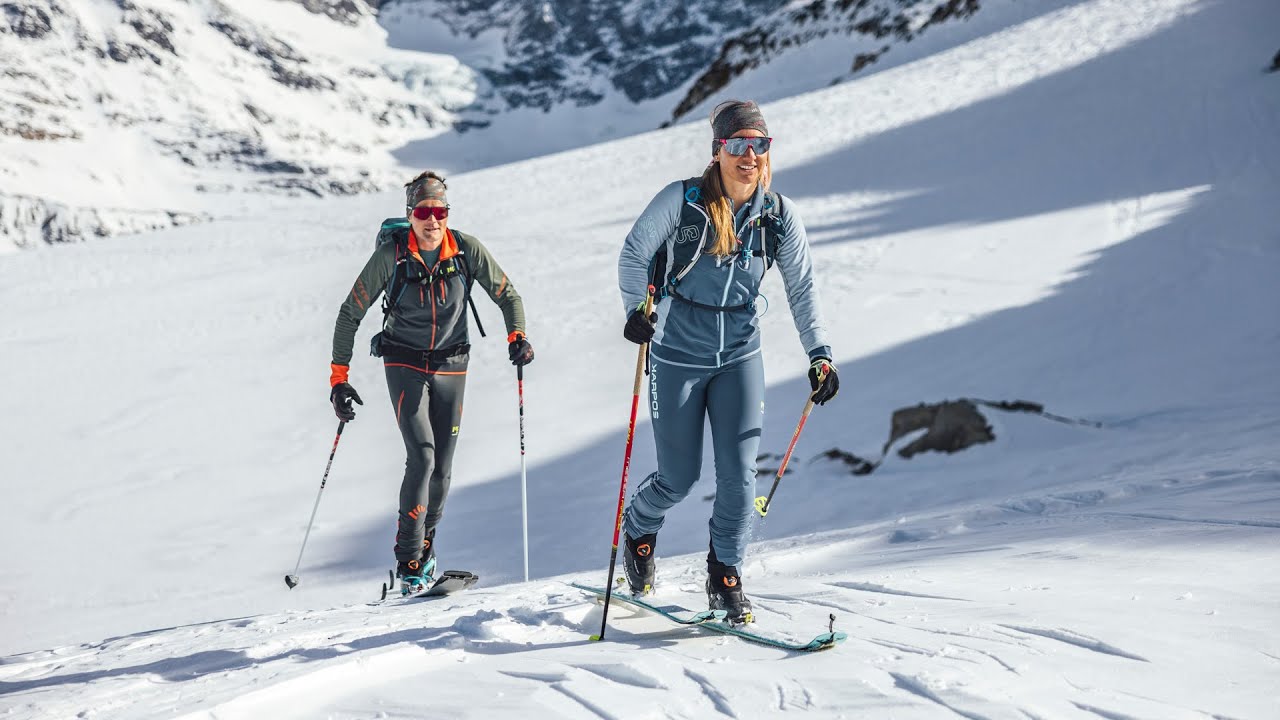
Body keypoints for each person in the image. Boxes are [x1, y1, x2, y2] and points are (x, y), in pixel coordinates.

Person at [616, 100, 839, 623]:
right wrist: (635, 311)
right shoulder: (683, 201)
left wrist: (820, 355)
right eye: (737, 144)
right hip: (676, 352)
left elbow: (802, 287)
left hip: (740, 352)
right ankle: (640, 527)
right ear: (717, 151)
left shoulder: (777, 215)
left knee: (739, 477)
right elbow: (634, 253)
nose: (749, 155)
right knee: (678, 477)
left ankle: (726, 574)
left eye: (759, 144)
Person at [329, 170, 534, 594]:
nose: (432, 221)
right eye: (424, 212)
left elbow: (507, 294)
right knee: (421, 456)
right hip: (403, 361)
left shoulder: (466, 250)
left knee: (443, 467)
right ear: (411, 214)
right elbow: (351, 312)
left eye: (440, 211)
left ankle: (426, 544)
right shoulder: (393, 256)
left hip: (452, 363)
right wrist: (339, 378)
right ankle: (408, 561)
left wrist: (518, 336)